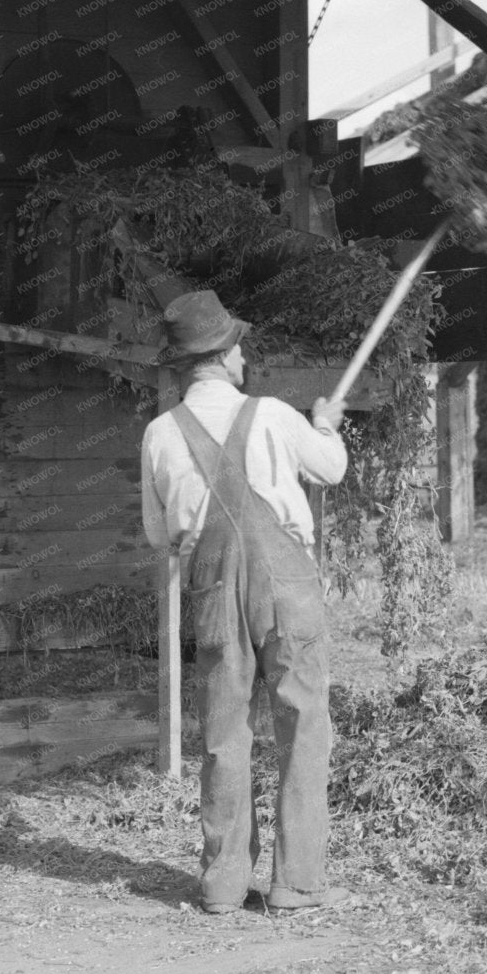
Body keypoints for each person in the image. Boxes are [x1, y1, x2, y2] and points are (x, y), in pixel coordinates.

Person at [139, 291, 352, 915]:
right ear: (227, 356)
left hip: (209, 585)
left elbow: (160, 537)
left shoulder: (158, 434)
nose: (243, 357)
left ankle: (223, 884)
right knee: (303, 725)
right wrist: (325, 426)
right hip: (285, 584)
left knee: (224, 733)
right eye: (239, 348)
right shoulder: (275, 415)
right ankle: (298, 884)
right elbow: (331, 470)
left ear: (183, 366)